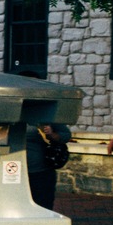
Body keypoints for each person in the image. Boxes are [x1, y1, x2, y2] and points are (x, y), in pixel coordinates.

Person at [16, 69, 69, 210]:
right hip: (13, 174)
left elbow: (65, 135)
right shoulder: (10, 107)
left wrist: (52, 134)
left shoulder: (46, 109)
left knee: (42, 208)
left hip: (40, 173)